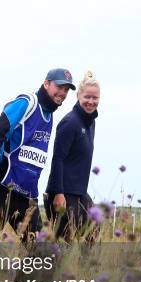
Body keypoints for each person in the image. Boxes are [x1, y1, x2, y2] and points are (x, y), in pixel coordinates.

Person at [0, 68, 75, 241]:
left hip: (25, 194)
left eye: (66, 90)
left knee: (41, 251)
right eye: (60, 87)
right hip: (1, 187)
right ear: (46, 84)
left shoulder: (49, 114)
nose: (63, 93)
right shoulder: (27, 103)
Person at [44, 71, 100, 241]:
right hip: (63, 194)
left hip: (79, 193)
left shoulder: (90, 123)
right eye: (87, 97)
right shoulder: (70, 122)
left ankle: (84, 268)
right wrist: (58, 193)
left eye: (95, 98)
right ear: (78, 96)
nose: (91, 101)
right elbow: (58, 159)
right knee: (63, 244)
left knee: (94, 228)